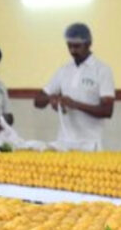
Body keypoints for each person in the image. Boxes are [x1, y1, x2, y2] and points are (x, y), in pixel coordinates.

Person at [33, 23, 115, 151]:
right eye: (69, 46)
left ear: (89, 44)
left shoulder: (102, 70)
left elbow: (107, 110)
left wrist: (75, 104)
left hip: (89, 145)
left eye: (77, 46)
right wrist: (51, 99)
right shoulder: (64, 70)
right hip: (63, 144)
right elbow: (37, 102)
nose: (72, 51)